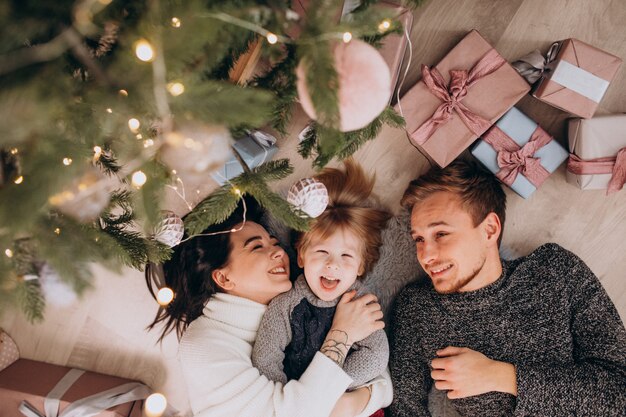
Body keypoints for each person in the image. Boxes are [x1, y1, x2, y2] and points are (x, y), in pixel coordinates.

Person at [388, 159, 626, 416]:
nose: (425, 255)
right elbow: (404, 409)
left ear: (489, 229)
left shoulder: (555, 270)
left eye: (441, 234)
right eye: (419, 239)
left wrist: (502, 376)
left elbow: (620, 391)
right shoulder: (419, 309)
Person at [145, 197, 392, 417]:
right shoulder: (204, 343)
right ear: (223, 278)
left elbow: (381, 378)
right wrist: (342, 335)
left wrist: (362, 399)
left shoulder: (307, 299)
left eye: (274, 243)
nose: (277, 253)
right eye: (256, 247)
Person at [252, 160, 391, 391]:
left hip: (346, 399)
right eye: (322, 251)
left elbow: (376, 353)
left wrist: (333, 389)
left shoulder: (361, 303)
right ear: (301, 257)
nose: (333, 264)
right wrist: (294, 398)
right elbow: (266, 359)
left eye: (346, 256)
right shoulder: (285, 305)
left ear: (360, 266)